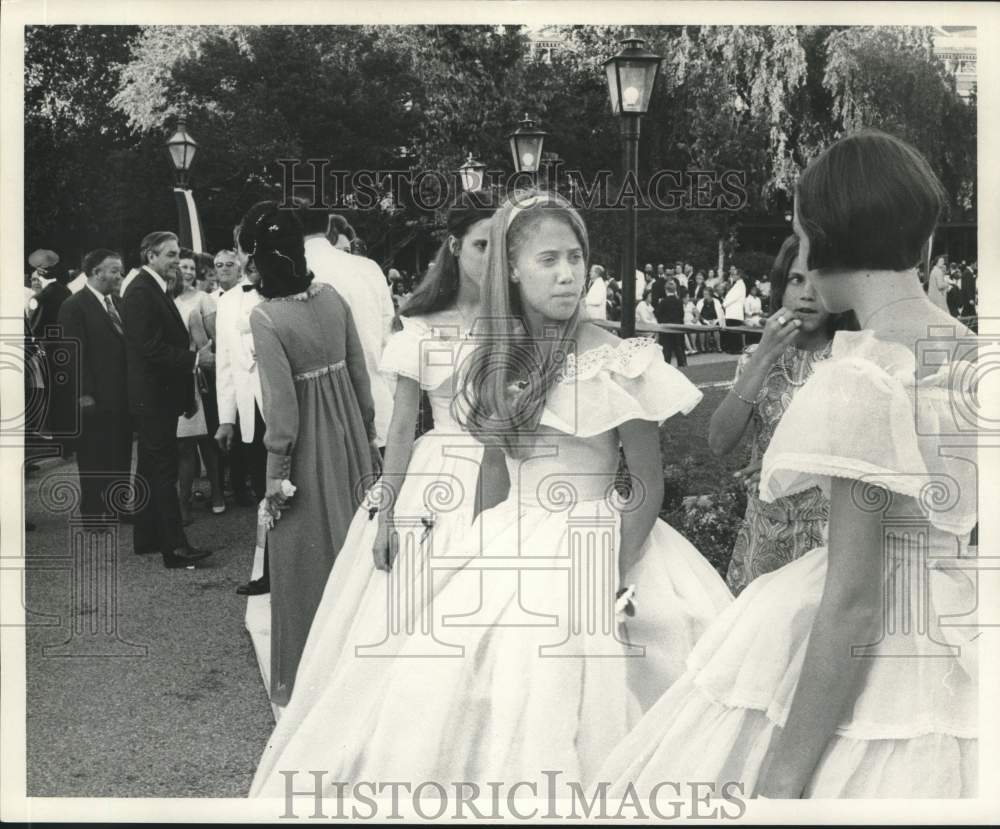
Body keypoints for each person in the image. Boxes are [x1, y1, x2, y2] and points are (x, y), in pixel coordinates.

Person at [251, 189, 731, 795]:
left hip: (601, 542)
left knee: (594, 687)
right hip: (514, 538)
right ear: (513, 271)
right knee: (465, 684)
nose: (567, 274)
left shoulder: (618, 360)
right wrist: (475, 550)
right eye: (548, 260)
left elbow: (645, 483)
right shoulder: (498, 359)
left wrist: (614, 575)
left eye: (576, 258)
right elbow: (494, 469)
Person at [599, 130, 977, 798]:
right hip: (960, 621)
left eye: (802, 236)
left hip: (873, 628)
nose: (798, 256)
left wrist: (781, 776)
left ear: (828, 238)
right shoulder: (973, 350)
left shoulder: (865, 369)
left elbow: (854, 602)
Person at [242, 201, 377, 708]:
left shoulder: (266, 317)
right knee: (353, 553)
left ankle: (315, 683)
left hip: (304, 457)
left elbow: (282, 409)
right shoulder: (334, 298)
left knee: (304, 565)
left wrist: (275, 476)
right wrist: (364, 438)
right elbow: (362, 378)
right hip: (350, 444)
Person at [708, 236, 854, 595]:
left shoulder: (852, 359)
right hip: (764, 532)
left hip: (826, 537)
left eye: (820, 282)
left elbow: (865, 453)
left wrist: (786, 463)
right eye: (796, 280)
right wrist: (764, 358)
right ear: (781, 286)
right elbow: (718, 442)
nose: (807, 294)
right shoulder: (756, 358)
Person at [120, 231, 213, 568]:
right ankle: (174, 548)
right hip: (152, 397)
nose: (178, 261)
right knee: (162, 470)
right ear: (150, 256)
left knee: (148, 467)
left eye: (177, 255)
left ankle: (147, 538)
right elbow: (148, 347)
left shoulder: (151, 287)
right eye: (171, 255)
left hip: (157, 395)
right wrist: (193, 360)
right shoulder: (142, 292)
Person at [296, 200, 395, 450]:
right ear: (326, 225)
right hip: (379, 406)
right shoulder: (369, 268)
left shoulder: (294, 272)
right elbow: (390, 342)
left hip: (322, 422)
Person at [56, 249, 132, 518]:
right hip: (93, 398)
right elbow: (71, 354)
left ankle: (119, 505)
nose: (119, 276)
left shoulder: (119, 304)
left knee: (120, 452)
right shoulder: (74, 306)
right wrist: (83, 393)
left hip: (121, 395)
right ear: (96, 272)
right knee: (93, 456)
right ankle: (93, 513)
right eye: (114, 271)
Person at [215, 242, 269, 594]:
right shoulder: (227, 301)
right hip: (250, 413)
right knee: (265, 490)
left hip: (285, 405)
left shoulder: (282, 293)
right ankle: (268, 571)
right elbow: (226, 363)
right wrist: (226, 418)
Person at [173, 250, 225, 520]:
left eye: (192, 268)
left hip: (200, 375)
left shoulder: (202, 299)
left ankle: (217, 492)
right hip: (176, 375)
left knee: (207, 440)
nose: (189, 271)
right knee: (183, 444)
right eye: (183, 266)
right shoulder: (167, 298)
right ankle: (183, 500)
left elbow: (214, 339)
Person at [653, 278, 686, 367]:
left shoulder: (663, 302)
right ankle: (683, 366)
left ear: (665, 290)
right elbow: (681, 314)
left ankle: (666, 367)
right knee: (679, 349)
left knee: (667, 351)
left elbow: (657, 313)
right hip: (677, 328)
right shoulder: (679, 301)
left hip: (666, 329)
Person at [721, 270, 747, 353]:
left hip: (735, 312)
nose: (732, 276)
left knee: (734, 331)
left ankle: (735, 349)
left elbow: (733, 297)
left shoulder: (740, 285)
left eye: (734, 274)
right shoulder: (736, 284)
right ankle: (732, 348)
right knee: (731, 331)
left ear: (739, 275)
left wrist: (724, 304)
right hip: (731, 312)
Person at [696, 284, 724, 352]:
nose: (704, 296)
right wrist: (706, 321)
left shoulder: (716, 302)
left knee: (716, 330)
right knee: (705, 329)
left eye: (706, 294)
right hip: (704, 321)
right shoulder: (700, 302)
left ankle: (718, 347)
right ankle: (704, 347)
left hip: (714, 321)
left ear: (710, 295)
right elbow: (698, 314)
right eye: (704, 294)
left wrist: (715, 321)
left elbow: (720, 314)